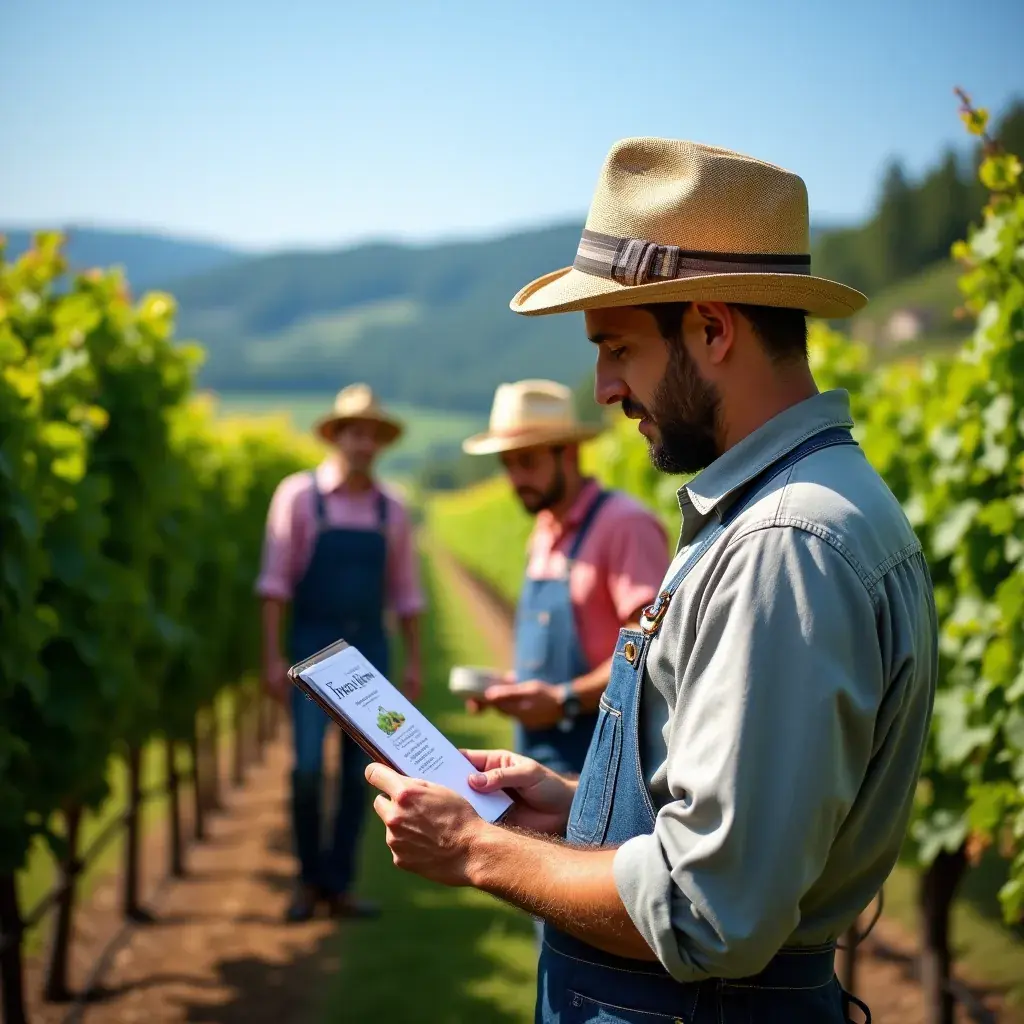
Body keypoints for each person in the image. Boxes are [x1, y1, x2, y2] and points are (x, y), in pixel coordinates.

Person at [364, 139, 938, 1023]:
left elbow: (710, 912)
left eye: (618, 347)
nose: (602, 388)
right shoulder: (780, 513)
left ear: (712, 329)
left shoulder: (782, 545)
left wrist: (478, 848)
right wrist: (573, 806)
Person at [258, 383, 424, 923]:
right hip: (311, 650)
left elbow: (405, 591)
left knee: (362, 774)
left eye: (371, 435)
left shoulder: (390, 508)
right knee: (306, 768)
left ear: (380, 443)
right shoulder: (299, 497)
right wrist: (269, 656)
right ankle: (308, 881)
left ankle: (339, 885)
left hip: (369, 654)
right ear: (336, 437)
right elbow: (275, 585)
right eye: (353, 432)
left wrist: (415, 660)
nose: (362, 443)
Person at [461, 378, 669, 778]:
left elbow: (649, 649)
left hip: (603, 761)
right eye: (507, 464)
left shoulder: (624, 525)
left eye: (528, 461)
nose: (516, 478)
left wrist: (563, 700)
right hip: (539, 756)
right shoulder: (543, 529)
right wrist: (513, 687)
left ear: (569, 453)